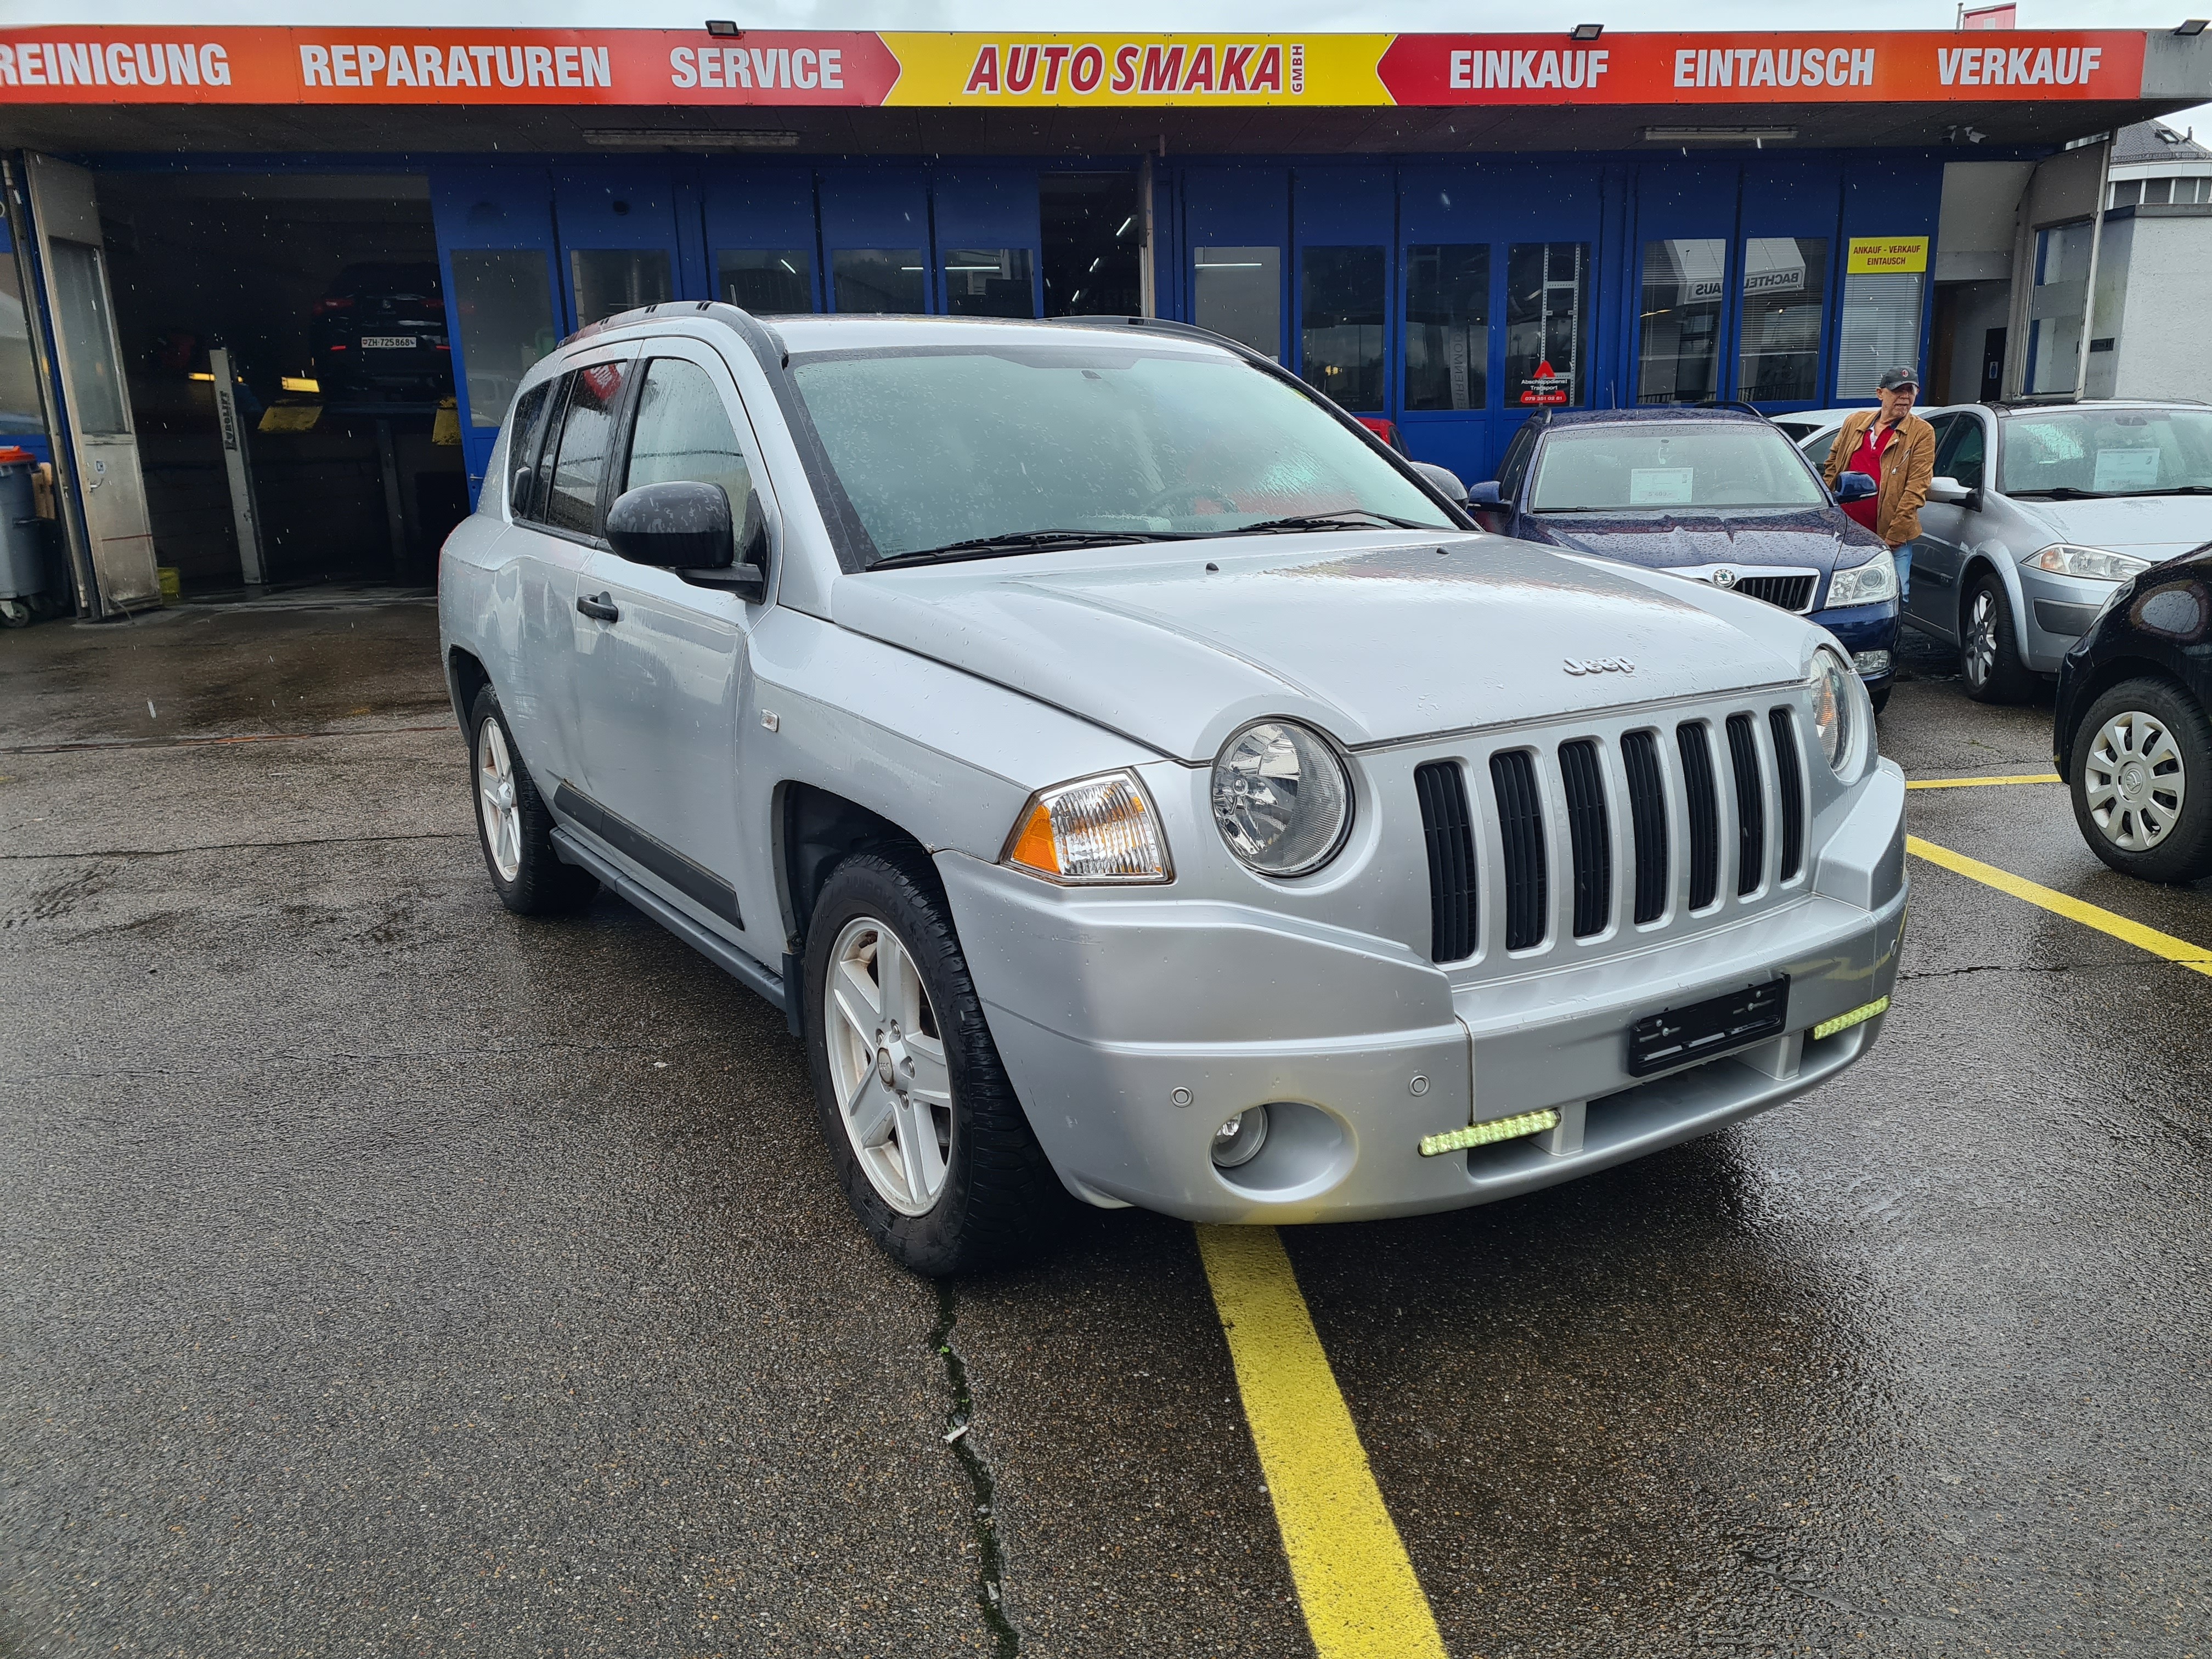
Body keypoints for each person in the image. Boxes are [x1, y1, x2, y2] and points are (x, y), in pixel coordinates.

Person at [1821, 367, 1934, 603]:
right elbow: (1831, 466)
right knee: (1840, 598)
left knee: (1895, 596)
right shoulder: (1855, 422)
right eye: (1897, 391)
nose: (1905, 396)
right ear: (1880, 393)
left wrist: (1895, 535)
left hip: (1889, 536)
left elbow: (1917, 486)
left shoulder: (1921, 433)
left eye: (1910, 390)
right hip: (1845, 532)